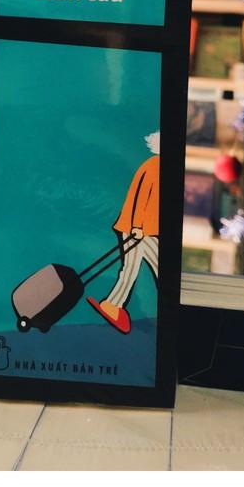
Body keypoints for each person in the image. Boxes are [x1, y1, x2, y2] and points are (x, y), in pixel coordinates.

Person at [87, 130, 160, 334]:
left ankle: (113, 304)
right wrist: (137, 226)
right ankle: (112, 305)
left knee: (137, 268)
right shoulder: (154, 167)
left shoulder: (156, 166)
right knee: (131, 268)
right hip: (137, 230)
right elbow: (141, 198)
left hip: (145, 230)